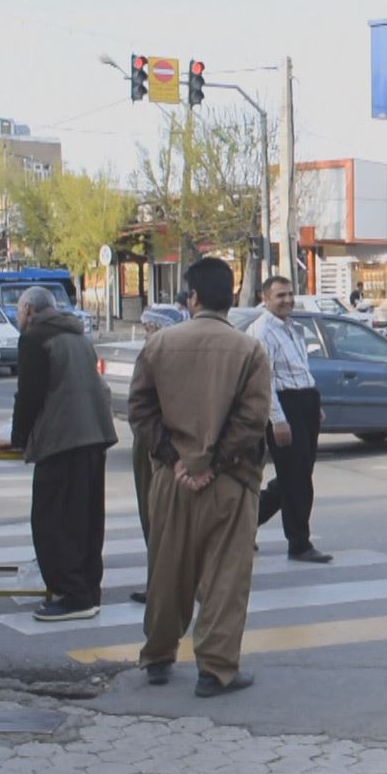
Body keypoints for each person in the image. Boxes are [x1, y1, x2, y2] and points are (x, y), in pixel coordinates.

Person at [128, 258, 273, 696]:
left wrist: (175, 458)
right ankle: (215, 668)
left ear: (192, 298)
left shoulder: (159, 345)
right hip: (231, 480)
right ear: (231, 298)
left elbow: (140, 410)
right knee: (227, 576)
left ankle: (157, 656)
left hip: (171, 479)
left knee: (166, 568)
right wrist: (212, 463)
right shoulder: (249, 350)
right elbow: (252, 420)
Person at [11, 286, 118, 622]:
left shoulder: (36, 338)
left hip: (61, 439)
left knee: (52, 522)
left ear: (29, 310)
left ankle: (74, 596)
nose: (18, 316)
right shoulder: (77, 335)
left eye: (18, 309)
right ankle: (87, 590)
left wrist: (18, 439)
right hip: (94, 435)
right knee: (86, 519)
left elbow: (29, 395)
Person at [248, 276, 332, 564]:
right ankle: (299, 543)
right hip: (285, 405)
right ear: (265, 298)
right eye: (280, 295)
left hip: (304, 401)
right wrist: (278, 419)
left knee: (296, 476)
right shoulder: (262, 331)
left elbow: (299, 369)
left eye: (289, 294)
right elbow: (265, 380)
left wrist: (314, 404)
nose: (287, 300)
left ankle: (245, 523)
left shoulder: (291, 327)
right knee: (296, 478)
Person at [129, 305, 186, 605]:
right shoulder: (179, 353)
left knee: (157, 516)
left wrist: (160, 448)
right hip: (168, 443)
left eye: (150, 327)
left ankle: (163, 587)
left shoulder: (157, 354)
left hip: (158, 444)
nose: (146, 333)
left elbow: (140, 407)